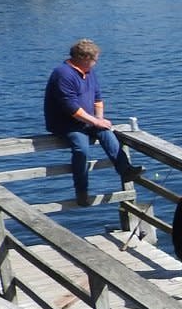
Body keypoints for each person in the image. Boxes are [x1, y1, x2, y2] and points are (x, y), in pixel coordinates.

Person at [42, 38, 140, 204]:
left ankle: (125, 169)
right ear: (83, 58)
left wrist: (99, 119)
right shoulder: (63, 74)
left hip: (87, 120)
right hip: (66, 123)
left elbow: (97, 98)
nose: (96, 63)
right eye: (94, 59)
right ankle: (82, 190)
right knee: (81, 149)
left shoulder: (89, 72)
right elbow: (70, 107)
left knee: (108, 134)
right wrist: (94, 121)